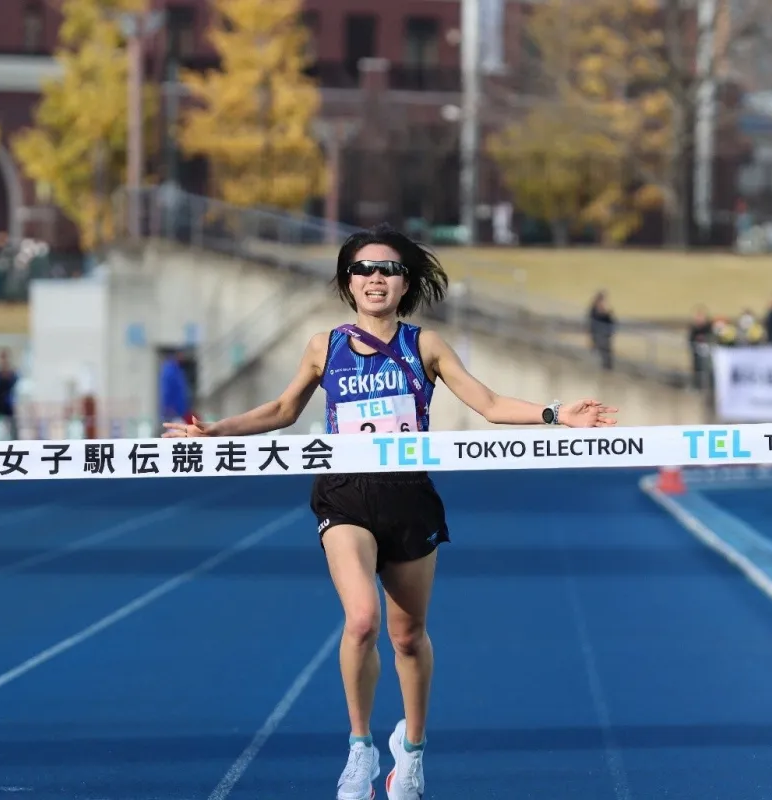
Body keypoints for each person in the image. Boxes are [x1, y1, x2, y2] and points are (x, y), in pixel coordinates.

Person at [163, 225, 617, 800]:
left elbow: (490, 403)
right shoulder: (324, 346)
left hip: (408, 497)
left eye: (388, 269)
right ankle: (360, 748)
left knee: (408, 636)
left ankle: (414, 749)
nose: (375, 278)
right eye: (363, 269)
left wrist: (557, 414)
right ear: (347, 281)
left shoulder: (426, 346)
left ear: (405, 284)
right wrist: (217, 431)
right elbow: (282, 409)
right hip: (344, 494)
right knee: (361, 621)